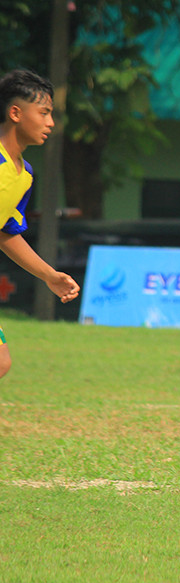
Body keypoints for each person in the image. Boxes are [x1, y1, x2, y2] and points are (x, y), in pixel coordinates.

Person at [0, 69, 80, 380]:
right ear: (16, 113)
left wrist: (49, 275)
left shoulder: (24, 174)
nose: (50, 123)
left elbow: (6, 233)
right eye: (44, 112)